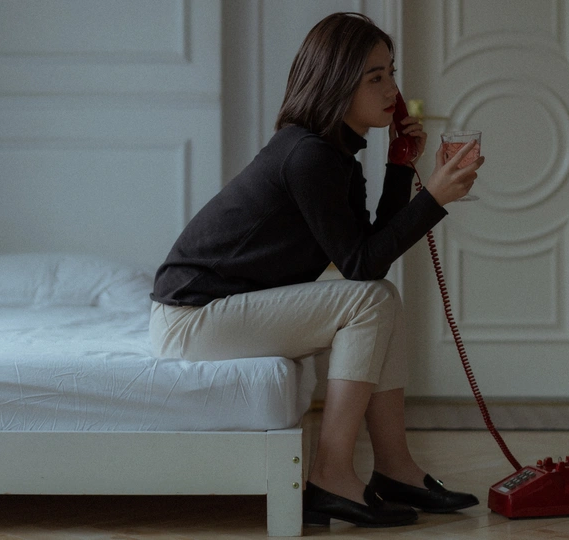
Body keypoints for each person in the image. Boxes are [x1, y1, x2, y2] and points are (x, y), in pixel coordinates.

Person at [149, 12, 483, 529]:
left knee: (381, 296)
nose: (392, 90)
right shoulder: (308, 156)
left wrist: (400, 165)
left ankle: (395, 468)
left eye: (391, 73)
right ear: (337, 83)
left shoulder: (333, 154)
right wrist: (432, 198)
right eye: (375, 77)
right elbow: (360, 265)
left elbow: (366, 252)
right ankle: (330, 475)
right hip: (192, 320)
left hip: (215, 311)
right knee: (372, 297)